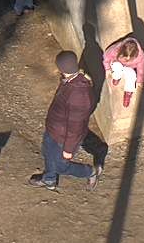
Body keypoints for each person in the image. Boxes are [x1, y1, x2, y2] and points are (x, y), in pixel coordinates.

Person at [29, 50, 101, 191]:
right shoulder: (70, 80)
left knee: (61, 166)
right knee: (48, 152)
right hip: (54, 129)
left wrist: (68, 149)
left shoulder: (79, 95)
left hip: (63, 137)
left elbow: (75, 127)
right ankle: (49, 180)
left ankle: (91, 172)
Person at [102, 36, 144, 109]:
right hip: (117, 63)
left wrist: (139, 81)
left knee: (132, 75)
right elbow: (106, 57)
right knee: (117, 67)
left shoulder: (141, 56)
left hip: (128, 67)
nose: (127, 60)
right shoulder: (115, 49)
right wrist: (107, 69)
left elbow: (141, 69)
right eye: (125, 57)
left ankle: (128, 93)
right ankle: (116, 77)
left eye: (130, 58)